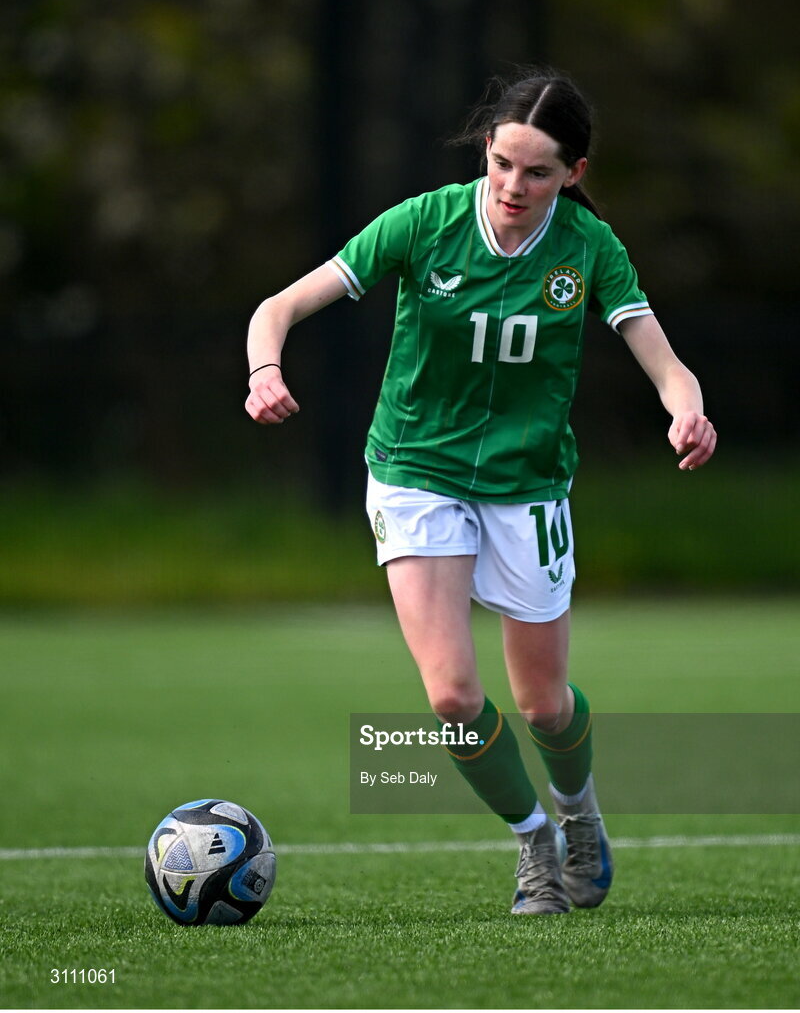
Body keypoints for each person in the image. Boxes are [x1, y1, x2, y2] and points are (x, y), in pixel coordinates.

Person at [245, 67, 717, 915]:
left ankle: (579, 813)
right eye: (501, 163)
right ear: (485, 153)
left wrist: (689, 414)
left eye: (537, 172)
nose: (512, 186)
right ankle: (534, 840)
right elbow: (276, 307)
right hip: (415, 471)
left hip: (527, 486)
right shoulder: (427, 222)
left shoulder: (587, 248)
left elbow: (664, 362)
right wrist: (264, 371)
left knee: (543, 703)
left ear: (573, 173)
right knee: (453, 697)